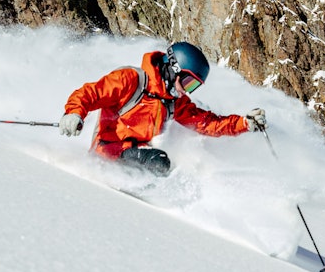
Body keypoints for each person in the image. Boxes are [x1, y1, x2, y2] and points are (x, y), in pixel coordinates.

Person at [59, 41, 267, 176]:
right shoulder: (131, 80)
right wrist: (74, 113)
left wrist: (243, 123)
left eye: (193, 86)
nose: (186, 91)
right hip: (108, 150)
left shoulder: (172, 101)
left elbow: (205, 122)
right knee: (159, 162)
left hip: (136, 153)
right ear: (172, 68)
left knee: (171, 168)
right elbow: (90, 94)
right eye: (186, 82)